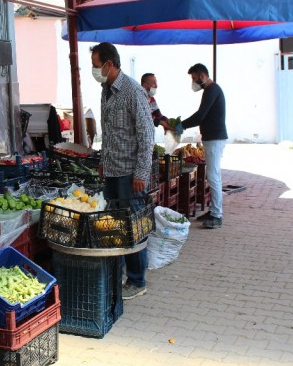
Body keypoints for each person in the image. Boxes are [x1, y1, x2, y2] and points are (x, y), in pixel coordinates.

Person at [90, 42, 155, 300]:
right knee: (116, 225)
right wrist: (104, 161)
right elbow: (110, 131)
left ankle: (138, 280)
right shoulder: (106, 91)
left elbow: (147, 135)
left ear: (109, 64)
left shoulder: (132, 92)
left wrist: (141, 174)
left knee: (134, 225)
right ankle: (120, 273)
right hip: (113, 170)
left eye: (96, 66)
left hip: (131, 174)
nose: (94, 71)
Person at [169, 63, 227, 229]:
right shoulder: (211, 90)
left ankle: (217, 215)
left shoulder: (212, 90)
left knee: (213, 176)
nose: (193, 82)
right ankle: (214, 210)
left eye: (194, 78)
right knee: (213, 175)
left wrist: (180, 126)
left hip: (215, 139)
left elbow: (200, 115)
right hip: (212, 138)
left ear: (202, 76)